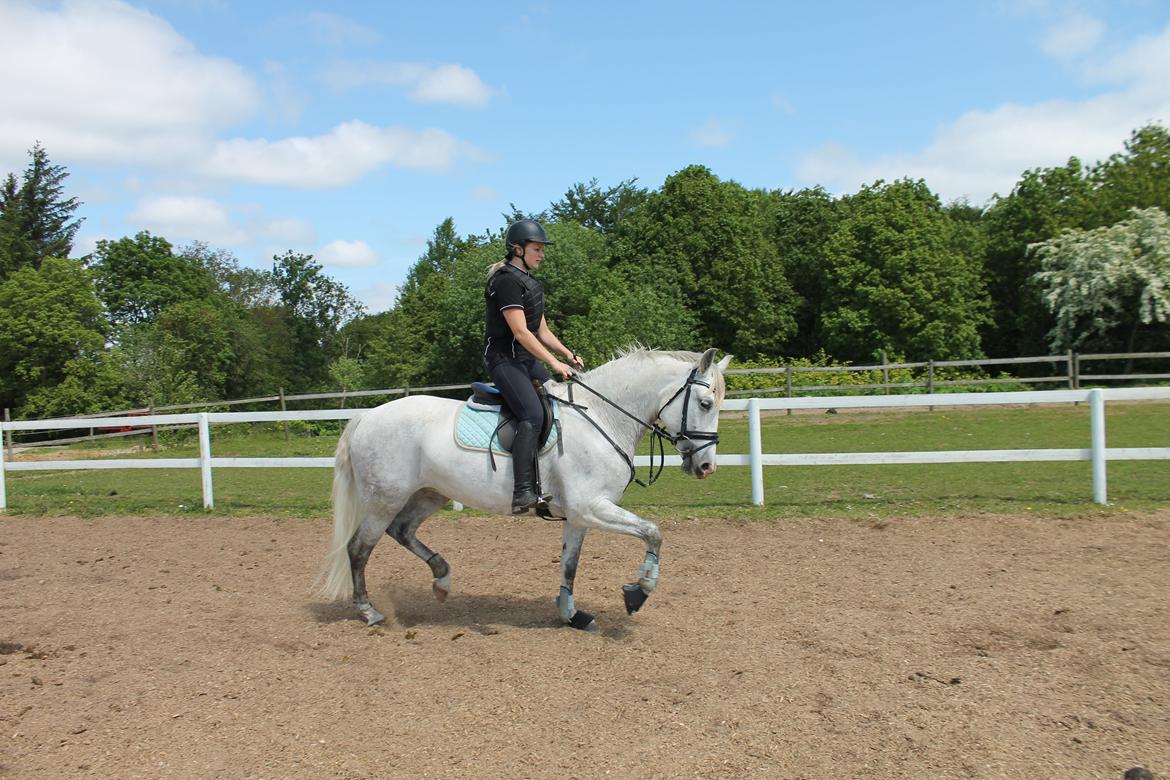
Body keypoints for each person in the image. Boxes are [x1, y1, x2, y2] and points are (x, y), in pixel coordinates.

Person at [483, 219, 585, 514]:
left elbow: (542, 332)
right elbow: (521, 333)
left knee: (561, 403)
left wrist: (567, 355)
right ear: (518, 249)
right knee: (532, 414)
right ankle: (523, 491)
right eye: (537, 249)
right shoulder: (506, 281)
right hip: (503, 359)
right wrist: (552, 363)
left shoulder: (531, 284)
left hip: (525, 360)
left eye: (542, 250)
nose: (542, 254)